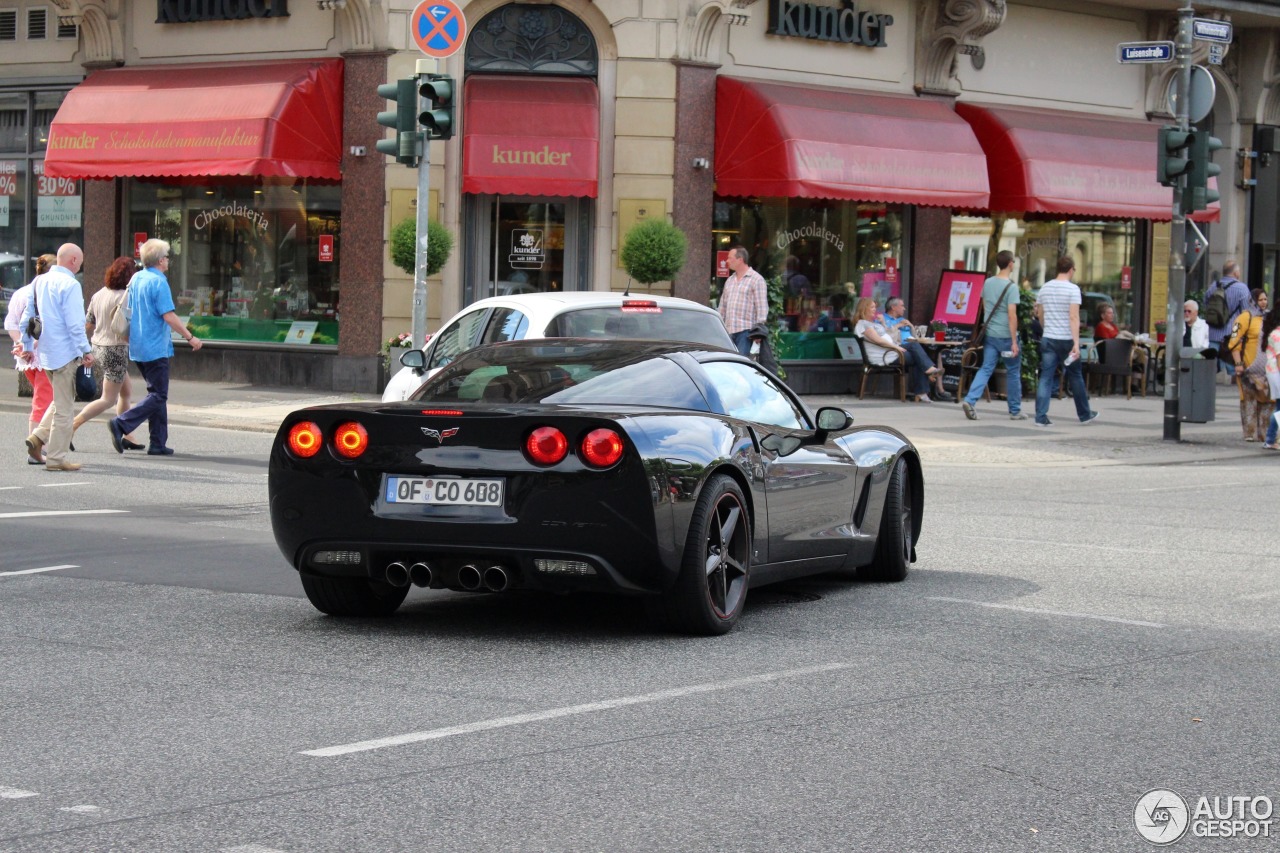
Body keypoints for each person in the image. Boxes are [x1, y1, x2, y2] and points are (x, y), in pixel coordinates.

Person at [107, 239, 204, 456]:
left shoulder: (137, 278)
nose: (169, 260)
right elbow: (168, 315)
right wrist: (190, 337)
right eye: (167, 257)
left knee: (156, 393)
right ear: (160, 260)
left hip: (138, 344)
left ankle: (158, 442)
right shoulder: (159, 283)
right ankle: (121, 423)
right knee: (159, 395)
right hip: (155, 346)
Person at [16, 243, 94, 472]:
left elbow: (27, 317)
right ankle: (56, 458)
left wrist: (27, 345)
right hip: (65, 353)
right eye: (79, 261)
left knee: (59, 401)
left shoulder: (39, 281)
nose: (80, 265)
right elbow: (75, 324)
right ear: (72, 261)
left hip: (46, 353)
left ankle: (37, 437)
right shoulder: (70, 285)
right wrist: (85, 350)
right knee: (65, 409)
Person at [74, 256, 144, 449]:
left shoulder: (99, 294)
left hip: (98, 346)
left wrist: (82, 348)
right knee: (107, 399)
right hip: (116, 349)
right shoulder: (126, 296)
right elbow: (131, 325)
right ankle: (71, 427)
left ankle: (127, 435)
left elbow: (87, 323)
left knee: (126, 391)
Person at [1033, 256, 1098, 427]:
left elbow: (1040, 314)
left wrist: (1046, 328)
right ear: (1071, 269)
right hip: (1066, 339)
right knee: (1076, 376)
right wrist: (1076, 343)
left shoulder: (1045, 287)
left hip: (1049, 338)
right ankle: (1085, 414)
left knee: (1046, 377)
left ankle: (1041, 417)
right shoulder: (1073, 289)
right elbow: (1074, 316)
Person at [961, 250, 1025, 420]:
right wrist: (1013, 341)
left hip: (990, 334)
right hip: (1006, 335)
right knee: (1012, 371)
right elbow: (1012, 315)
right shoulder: (1011, 287)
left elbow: (984, 308)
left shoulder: (988, 283)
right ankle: (1015, 410)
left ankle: (970, 399)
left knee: (986, 368)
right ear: (1010, 263)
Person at [5, 254, 56, 462]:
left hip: (26, 356)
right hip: (43, 354)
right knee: (44, 399)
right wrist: (29, 346)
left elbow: (11, 324)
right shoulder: (48, 293)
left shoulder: (21, 292)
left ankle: (45, 440)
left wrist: (20, 344)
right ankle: (36, 445)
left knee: (43, 397)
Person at [853, 297, 937, 403]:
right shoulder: (863, 324)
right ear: (864, 309)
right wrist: (896, 347)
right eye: (872, 307)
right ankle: (926, 380)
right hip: (886, 356)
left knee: (916, 352)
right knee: (916, 353)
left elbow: (886, 334)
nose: (875, 309)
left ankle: (925, 381)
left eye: (875, 307)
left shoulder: (871, 323)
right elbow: (879, 341)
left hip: (890, 352)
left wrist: (883, 323)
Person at [1225, 288, 1271, 442]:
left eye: (1265, 299)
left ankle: (1264, 433)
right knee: (1249, 399)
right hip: (1248, 366)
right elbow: (1234, 341)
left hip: (1267, 368)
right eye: (1260, 300)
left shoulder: (1269, 317)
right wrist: (1238, 363)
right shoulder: (1245, 317)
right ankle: (1250, 432)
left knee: (1267, 400)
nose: (1263, 302)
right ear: (1252, 301)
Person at [717, 246, 768, 356]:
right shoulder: (730, 280)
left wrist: (758, 331)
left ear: (740, 260)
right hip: (728, 331)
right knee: (728, 364)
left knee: (741, 365)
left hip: (746, 332)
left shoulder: (756, 279)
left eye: (730, 258)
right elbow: (722, 307)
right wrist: (719, 326)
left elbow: (762, 308)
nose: (727, 261)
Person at [1205, 260, 1250, 376]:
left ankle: (1207, 389)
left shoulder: (1212, 287)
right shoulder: (1242, 288)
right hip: (1232, 334)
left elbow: (1205, 306)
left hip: (1213, 332)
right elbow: (1246, 313)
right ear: (1235, 273)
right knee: (1234, 370)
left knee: (1210, 368)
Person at [1261, 297, 1280, 450]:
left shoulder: (1273, 332)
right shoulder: (1278, 334)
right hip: (1277, 372)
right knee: (1279, 408)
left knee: (1279, 406)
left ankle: (1271, 438)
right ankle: (1270, 438)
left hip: (1273, 372)